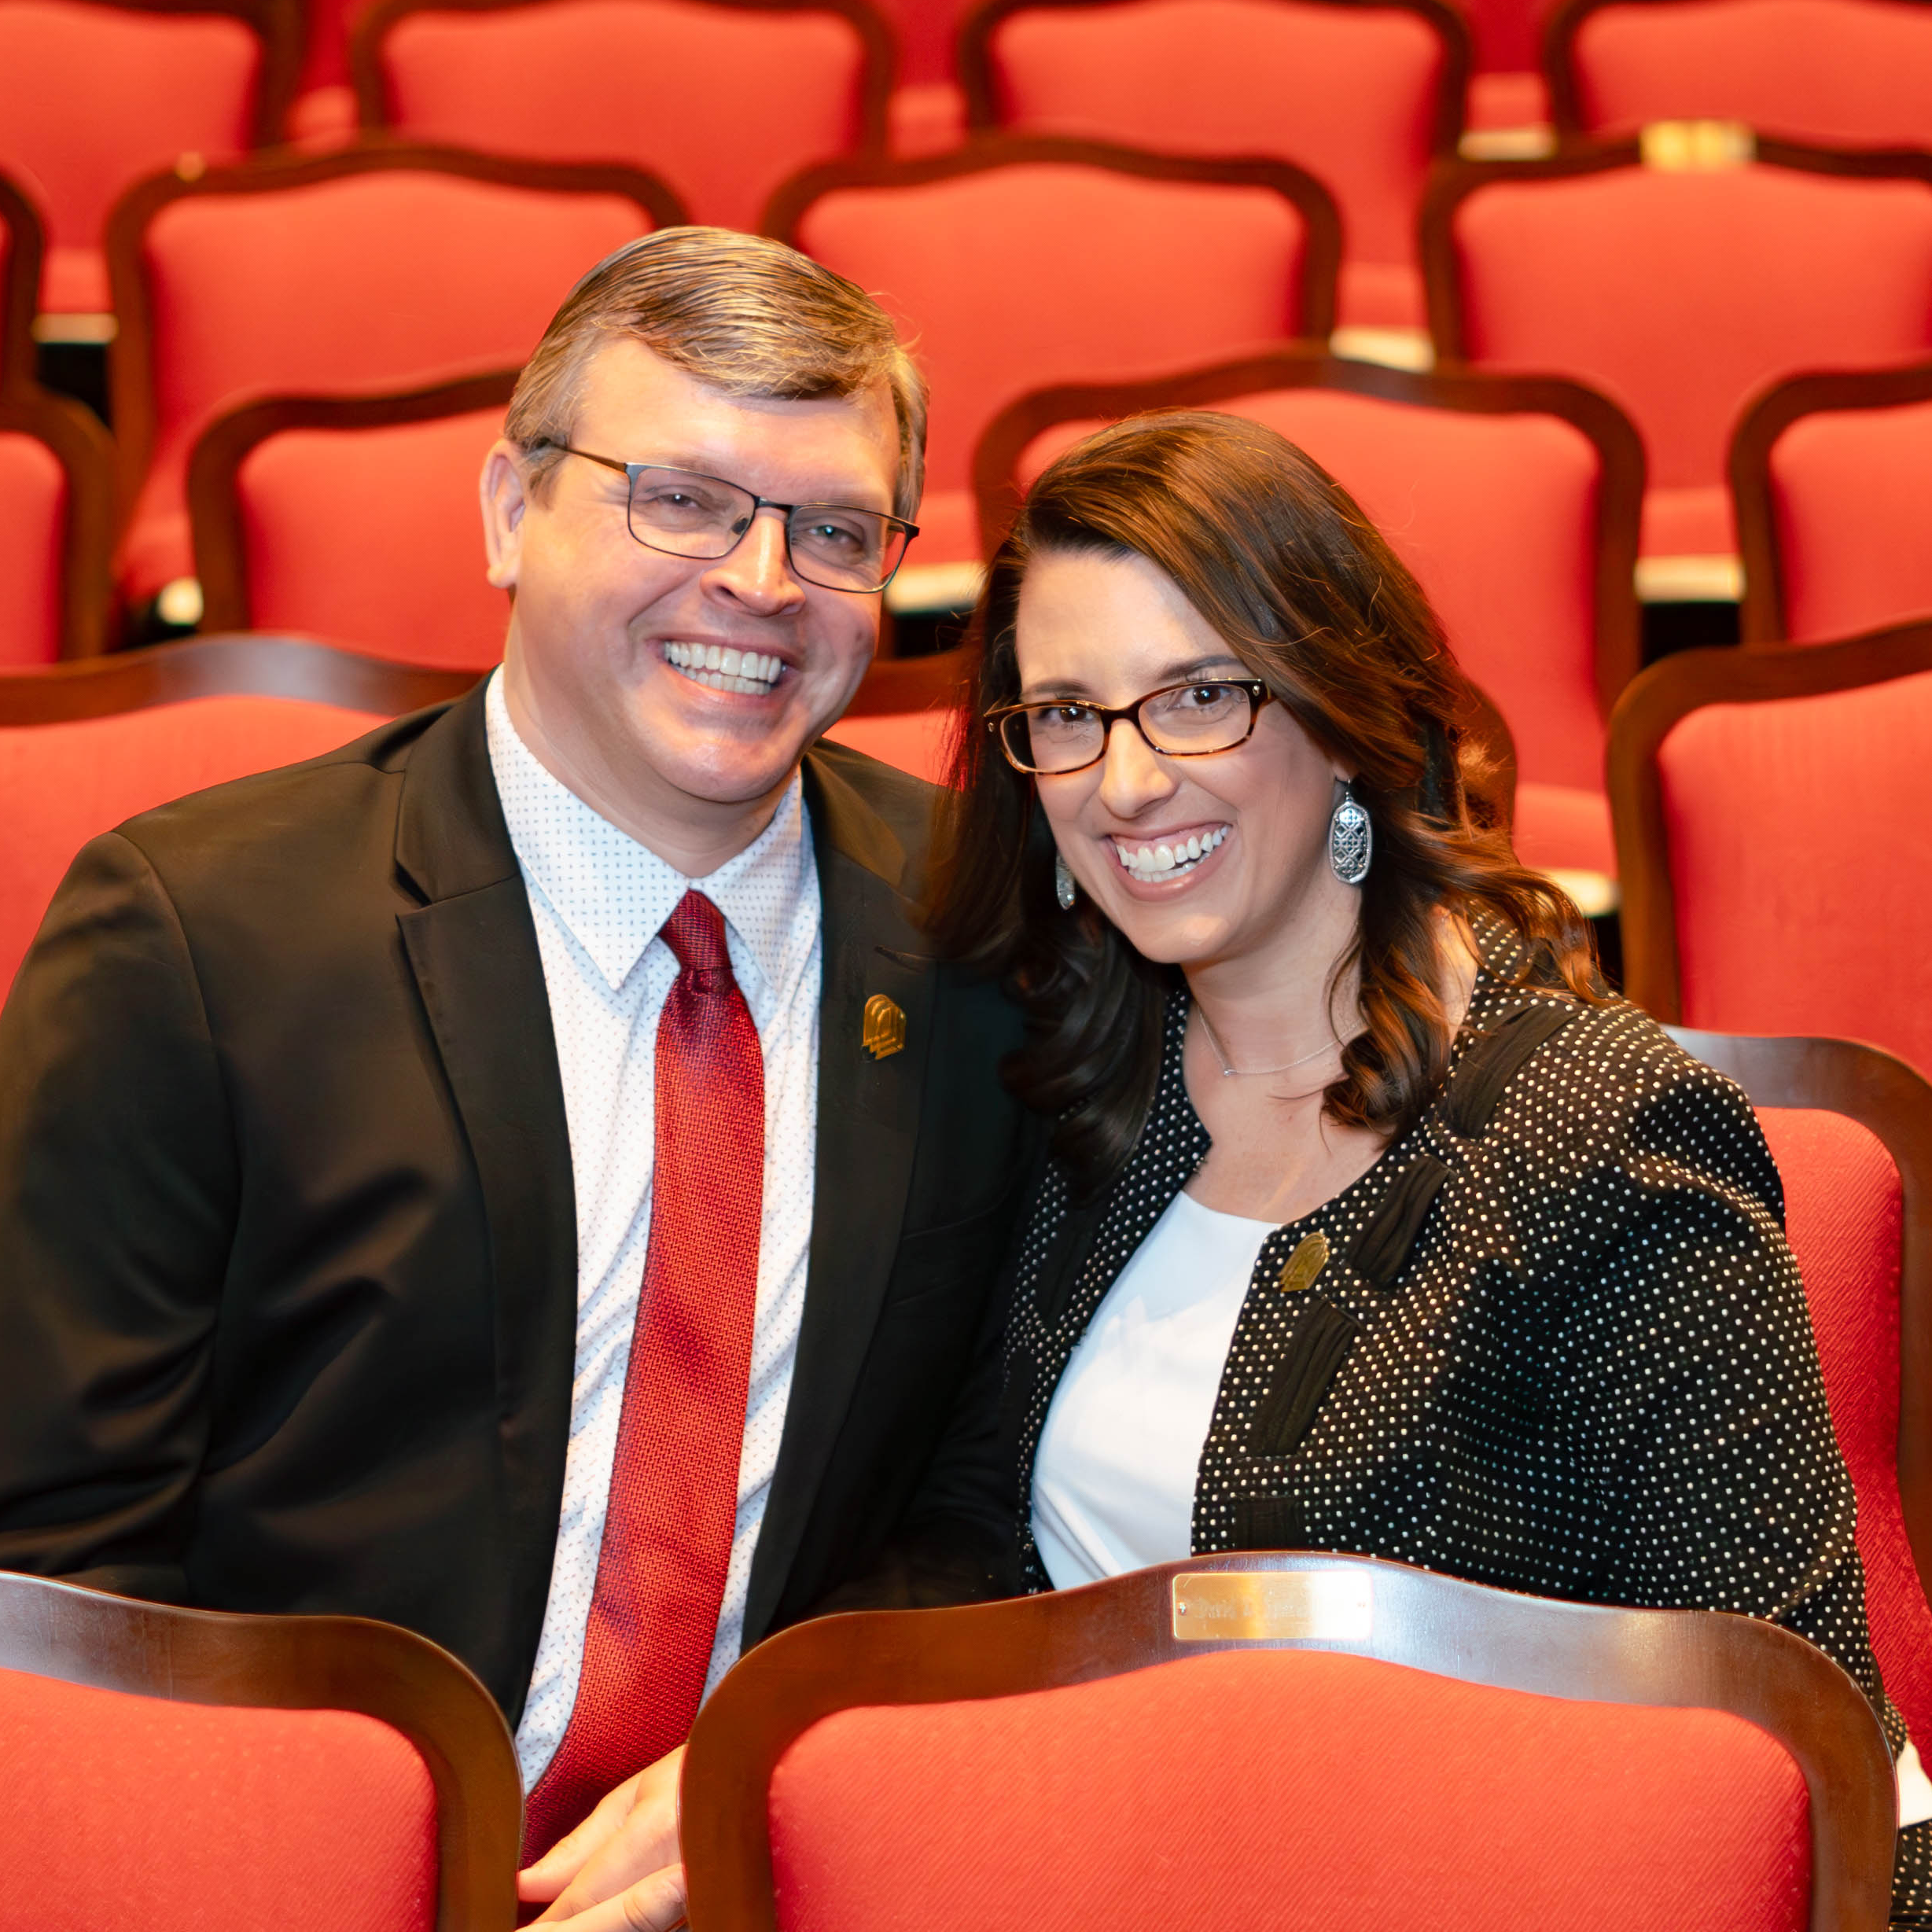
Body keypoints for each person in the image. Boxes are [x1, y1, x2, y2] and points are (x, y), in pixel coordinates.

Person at [0, 229, 1033, 1930]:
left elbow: (985, 1487)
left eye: (836, 530)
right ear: (507, 511)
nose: (763, 582)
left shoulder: (982, 934)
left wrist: (774, 1768)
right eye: (682, 501)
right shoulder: (194, 939)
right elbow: (52, 1566)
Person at [901, 409, 1932, 1920]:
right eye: (1067, 713)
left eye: (1198, 699)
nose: (1124, 784)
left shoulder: (1599, 1140)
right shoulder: (1061, 1098)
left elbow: (1793, 1756)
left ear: (1341, 719)